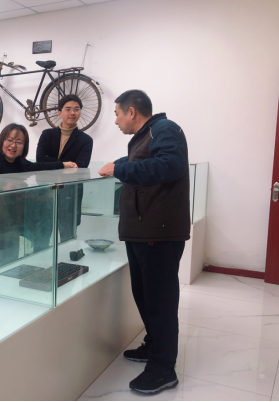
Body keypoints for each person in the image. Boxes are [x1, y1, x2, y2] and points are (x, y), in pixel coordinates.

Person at [98, 90, 190, 395]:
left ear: (132, 112)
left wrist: (119, 169)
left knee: (160, 302)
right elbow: (144, 161)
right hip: (143, 232)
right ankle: (154, 345)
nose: (115, 121)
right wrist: (118, 163)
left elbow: (170, 165)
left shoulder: (165, 129)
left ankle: (163, 370)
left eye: (116, 114)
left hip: (158, 234)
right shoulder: (146, 136)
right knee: (145, 295)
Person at [0, 123, 77, 276]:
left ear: (24, 146)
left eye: (19, 142)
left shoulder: (21, 164)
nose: (13, 145)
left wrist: (63, 165)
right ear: (2, 140)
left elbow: (40, 166)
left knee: (9, 271)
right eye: (9, 140)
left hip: (10, 228)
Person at [36, 94, 93, 243]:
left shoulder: (86, 140)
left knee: (68, 239)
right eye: (68, 109)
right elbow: (40, 160)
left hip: (70, 195)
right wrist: (65, 164)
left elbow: (80, 167)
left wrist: (51, 162)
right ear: (59, 113)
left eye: (76, 109)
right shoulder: (47, 135)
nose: (72, 113)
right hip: (45, 194)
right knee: (40, 239)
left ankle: (68, 259)